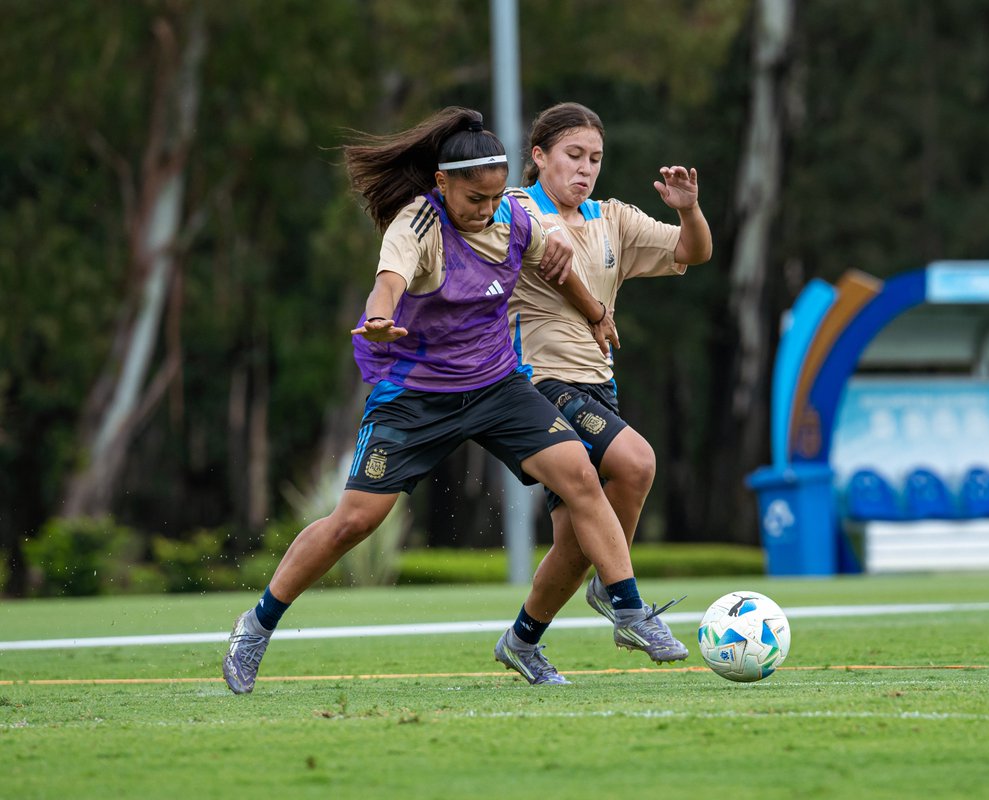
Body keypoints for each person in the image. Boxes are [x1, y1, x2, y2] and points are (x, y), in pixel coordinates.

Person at [222, 106, 673, 692]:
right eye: (473, 200)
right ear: (443, 184)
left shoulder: (513, 217)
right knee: (353, 522)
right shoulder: (416, 225)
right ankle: (256, 625)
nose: (486, 211)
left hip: (496, 385)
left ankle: (630, 610)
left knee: (580, 475)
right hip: (416, 397)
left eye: (493, 199)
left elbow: (556, 266)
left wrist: (596, 314)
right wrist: (379, 318)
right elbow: (388, 282)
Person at [493, 102, 713, 675]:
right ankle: (625, 601)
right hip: (538, 384)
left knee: (573, 545)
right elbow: (554, 268)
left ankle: (521, 642)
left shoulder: (611, 217)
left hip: (598, 385)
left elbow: (694, 252)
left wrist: (689, 212)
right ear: (538, 156)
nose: (585, 168)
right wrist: (594, 312)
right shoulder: (516, 209)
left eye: (595, 158)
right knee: (637, 462)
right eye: (573, 155)